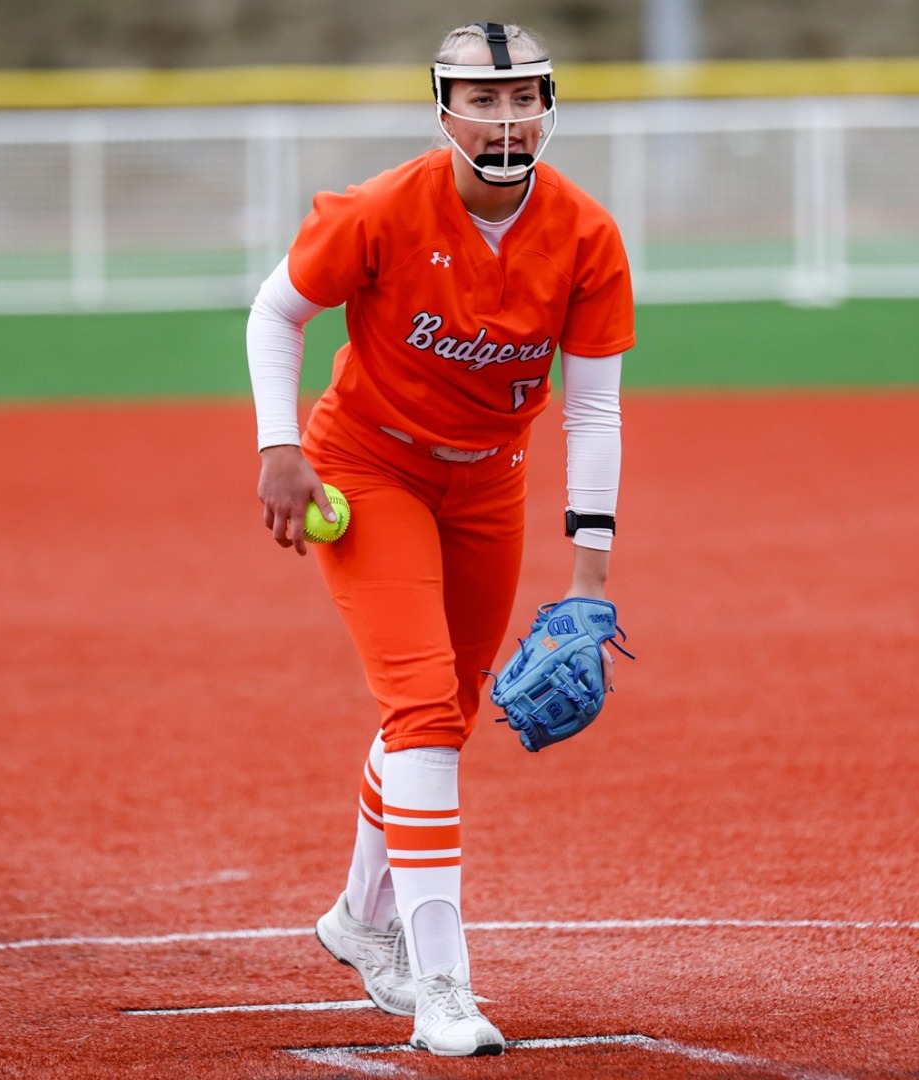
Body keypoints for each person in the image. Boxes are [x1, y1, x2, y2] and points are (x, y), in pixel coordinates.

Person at [243, 20, 635, 1059]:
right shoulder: (384, 208)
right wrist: (279, 448)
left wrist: (588, 579)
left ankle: (357, 923)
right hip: (367, 470)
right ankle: (440, 986)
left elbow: (592, 411)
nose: (505, 119)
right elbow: (275, 313)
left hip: (488, 484)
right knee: (419, 706)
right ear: (444, 109)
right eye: (482, 100)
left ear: (547, 107)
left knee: (447, 714)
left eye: (522, 99)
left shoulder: (586, 236)